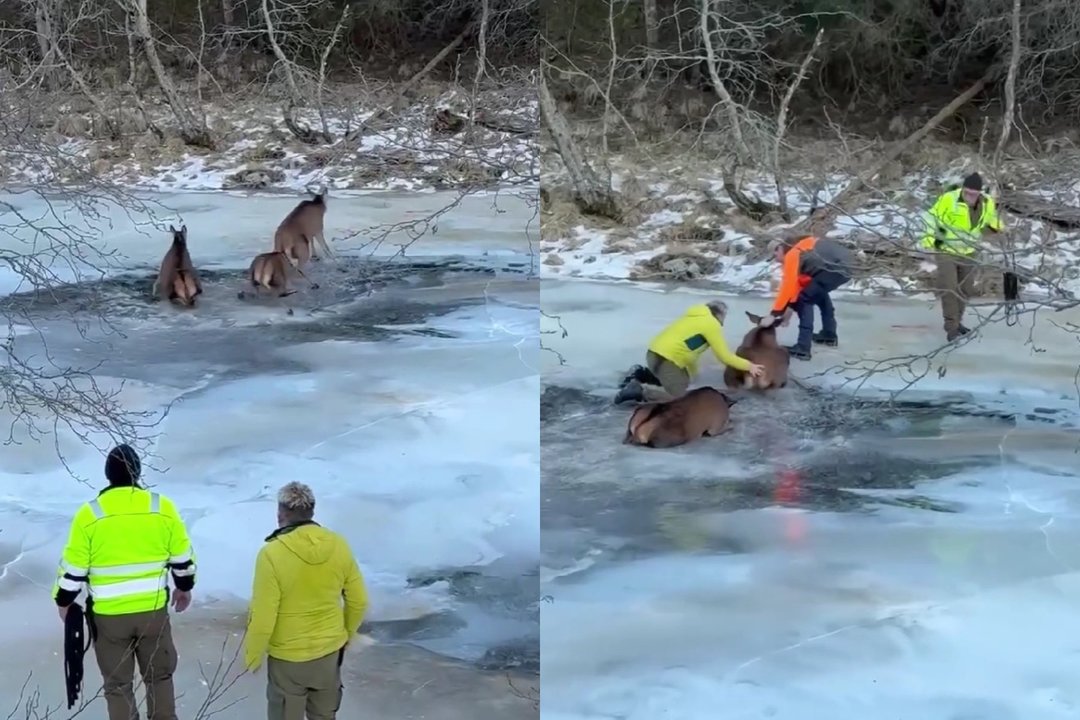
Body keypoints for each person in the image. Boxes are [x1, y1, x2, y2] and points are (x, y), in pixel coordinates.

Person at [53, 443, 196, 720]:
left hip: (109, 619)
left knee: (118, 686)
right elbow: (183, 559)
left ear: (108, 475)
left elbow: (74, 569)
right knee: (160, 678)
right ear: (138, 472)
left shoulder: (90, 514)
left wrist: (64, 602)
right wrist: (184, 587)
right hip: (152, 613)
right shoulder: (161, 507)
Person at [244, 482, 368, 720]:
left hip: (288, 660)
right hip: (329, 655)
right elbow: (359, 601)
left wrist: (253, 655)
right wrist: (345, 636)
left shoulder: (271, 555)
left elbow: (263, 613)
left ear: (280, 515)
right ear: (312, 512)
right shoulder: (338, 545)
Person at [615, 300, 764, 404]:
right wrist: (749, 366)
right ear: (720, 315)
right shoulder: (711, 324)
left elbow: (691, 350)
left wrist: (693, 374)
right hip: (668, 360)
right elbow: (724, 356)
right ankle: (640, 391)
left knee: (683, 382)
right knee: (680, 398)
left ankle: (642, 373)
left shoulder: (693, 318)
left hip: (654, 355)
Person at [920, 172, 1004, 341]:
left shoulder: (987, 202)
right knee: (949, 288)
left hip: (969, 251)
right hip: (946, 250)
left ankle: (958, 322)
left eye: (973, 194)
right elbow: (930, 218)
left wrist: (998, 227)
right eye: (966, 192)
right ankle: (951, 327)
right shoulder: (949, 199)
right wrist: (928, 243)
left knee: (965, 290)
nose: (968, 196)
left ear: (979, 193)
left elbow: (991, 220)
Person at [765, 234, 853, 361]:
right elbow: (799, 285)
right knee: (817, 292)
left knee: (805, 300)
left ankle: (803, 348)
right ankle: (828, 335)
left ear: (780, 248)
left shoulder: (793, 253)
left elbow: (788, 286)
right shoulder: (805, 245)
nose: (777, 260)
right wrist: (789, 308)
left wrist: (774, 314)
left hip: (833, 268)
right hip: (848, 266)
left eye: (775, 256)